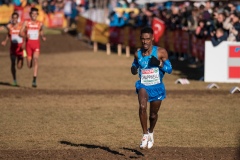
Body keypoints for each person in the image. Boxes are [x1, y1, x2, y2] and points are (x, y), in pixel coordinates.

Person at [130, 27, 172, 149]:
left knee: (153, 115)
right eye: (143, 39)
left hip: (157, 87)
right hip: (143, 85)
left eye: (147, 39)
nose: (145, 42)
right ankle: (144, 134)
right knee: (142, 107)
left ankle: (151, 132)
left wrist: (159, 64)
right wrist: (133, 69)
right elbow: (134, 65)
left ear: (152, 38)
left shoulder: (161, 52)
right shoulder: (137, 53)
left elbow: (169, 69)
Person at [19, 7, 46, 88]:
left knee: (36, 59)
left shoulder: (40, 23)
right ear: (30, 14)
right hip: (28, 46)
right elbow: (20, 33)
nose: (34, 15)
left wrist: (42, 36)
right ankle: (26, 57)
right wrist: (25, 35)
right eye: (32, 13)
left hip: (36, 45)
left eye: (35, 14)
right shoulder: (26, 23)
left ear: (37, 15)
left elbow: (41, 30)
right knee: (29, 65)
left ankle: (34, 79)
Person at [1, 12, 25, 86]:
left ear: (18, 18)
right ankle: (14, 79)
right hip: (13, 48)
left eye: (16, 18)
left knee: (19, 66)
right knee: (13, 63)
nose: (14, 19)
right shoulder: (10, 26)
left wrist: (24, 44)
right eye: (13, 18)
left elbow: (25, 35)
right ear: (12, 18)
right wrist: (5, 41)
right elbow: (8, 34)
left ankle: (21, 59)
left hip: (20, 48)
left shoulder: (21, 26)